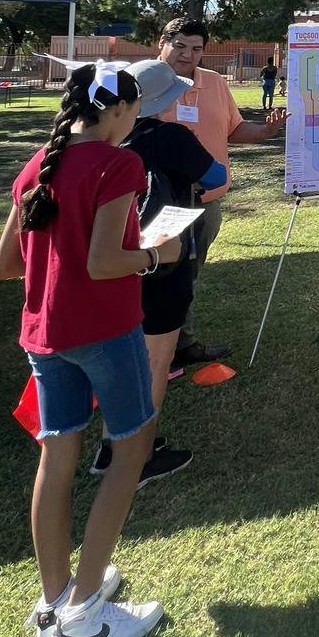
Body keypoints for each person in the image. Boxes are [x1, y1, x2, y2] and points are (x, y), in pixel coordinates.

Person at [0, 64, 185, 637]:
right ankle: (82, 616)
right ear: (118, 111)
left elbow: (6, 265)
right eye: (135, 111)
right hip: (103, 332)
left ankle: (57, 600)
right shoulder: (119, 164)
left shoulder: (39, 163)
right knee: (131, 449)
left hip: (43, 335)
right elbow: (106, 263)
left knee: (58, 456)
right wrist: (159, 253)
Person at [89, 59, 228, 486]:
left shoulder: (103, 140)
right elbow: (216, 175)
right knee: (155, 359)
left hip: (110, 259)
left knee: (122, 357)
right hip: (162, 258)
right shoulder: (171, 137)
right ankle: (138, 455)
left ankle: (112, 442)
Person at [155, 18, 286, 366]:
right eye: (180, 46)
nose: (187, 55)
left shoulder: (213, 83)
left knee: (188, 275)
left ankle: (181, 345)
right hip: (157, 205)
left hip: (206, 202)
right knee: (155, 277)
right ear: (161, 43)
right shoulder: (145, 83)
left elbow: (235, 129)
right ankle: (152, 352)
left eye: (196, 49)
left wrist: (266, 131)